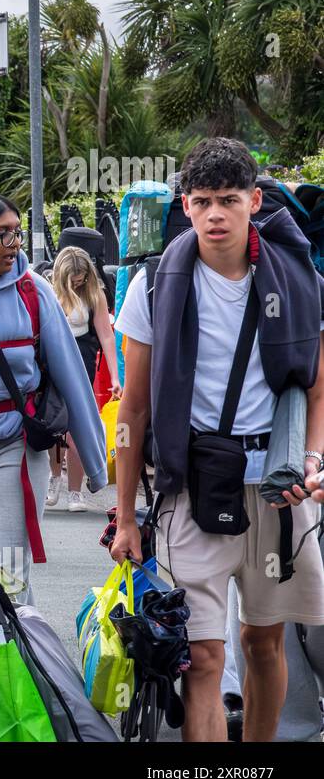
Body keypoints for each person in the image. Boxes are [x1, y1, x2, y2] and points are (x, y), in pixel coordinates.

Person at [111, 136, 324, 741]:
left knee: (263, 642)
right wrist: (125, 515)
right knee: (201, 657)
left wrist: (313, 460)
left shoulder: (301, 280)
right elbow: (133, 408)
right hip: (191, 488)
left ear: (255, 200)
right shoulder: (153, 286)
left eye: (228, 199)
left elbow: (317, 389)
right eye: (201, 200)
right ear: (185, 204)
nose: (214, 214)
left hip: (278, 491)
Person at [0, 195, 106, 602]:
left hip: (13, 446)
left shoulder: (35, 291)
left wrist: (97, 467)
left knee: (7, 574)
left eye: (17, 231)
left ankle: (15, 660)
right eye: (3, 234)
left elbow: (72, 378)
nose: (15, 243)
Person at [46, 246, 119, 513]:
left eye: (82, 279)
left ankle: (74, 492)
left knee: (77, 432)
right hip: (52, 367)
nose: (78, 284)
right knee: (54, 429)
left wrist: (114, 376)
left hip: (82, 367)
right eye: (73, 281)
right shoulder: (48, 292)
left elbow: (106, 336)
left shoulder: (94, 293)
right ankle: (54, 479)